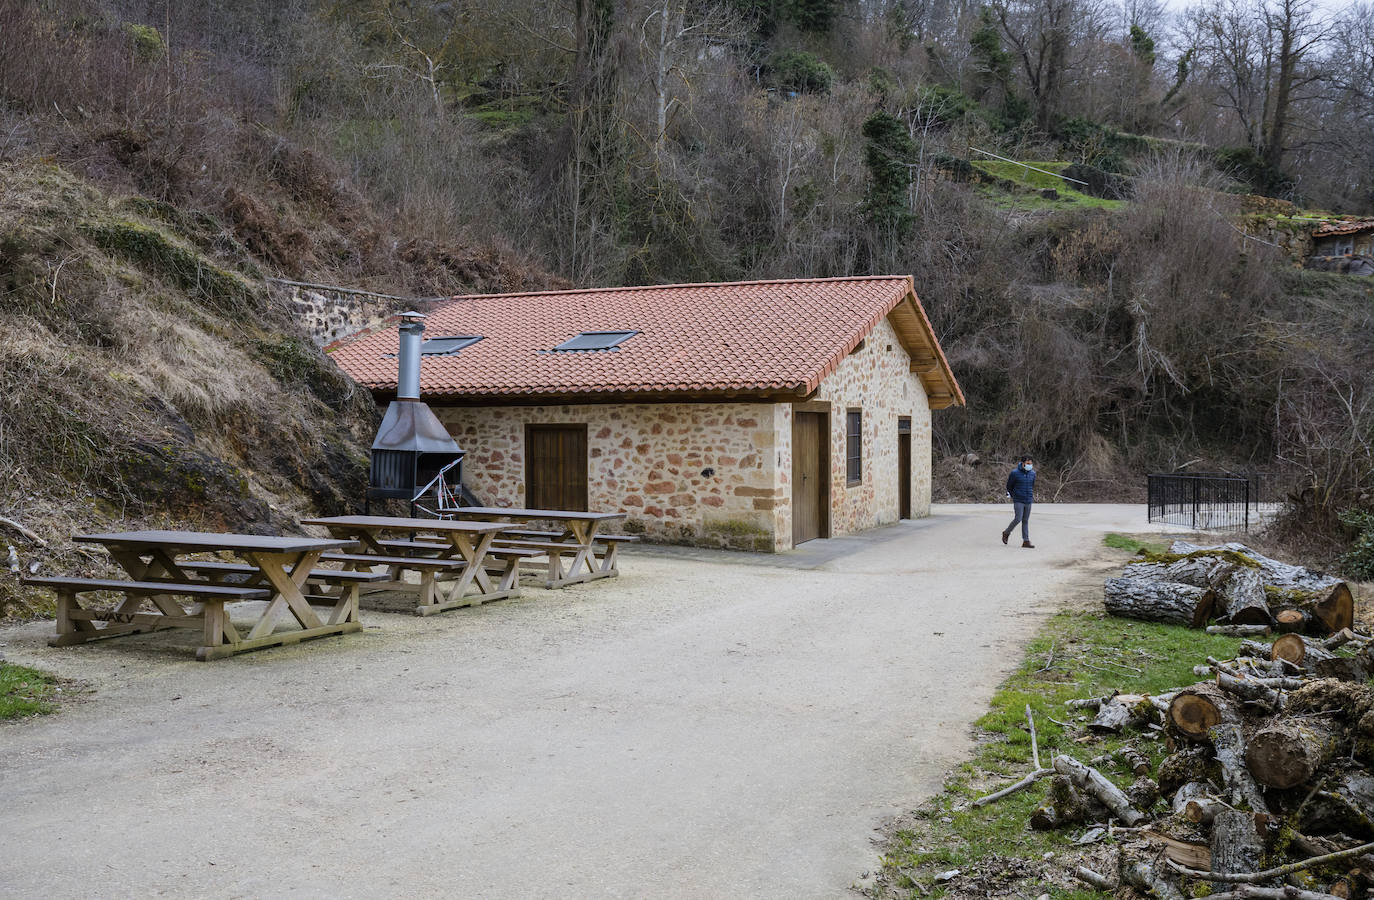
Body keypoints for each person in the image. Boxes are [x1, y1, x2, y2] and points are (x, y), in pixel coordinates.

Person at [1002, 455, 1036, 548]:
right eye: (1028, 463)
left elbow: (1032, 485)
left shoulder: (1033, 473)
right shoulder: (1015, 473)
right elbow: (1009, 486)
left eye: (1031, 463)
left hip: (1028, 499)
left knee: (1025, 520)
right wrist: (1014, 495)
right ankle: (1006, 533)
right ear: (1023, 463)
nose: (1030, 465)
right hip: (1018, 500)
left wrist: (1029, 495)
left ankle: (1026, 541)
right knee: (1018, 518)